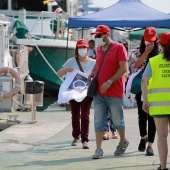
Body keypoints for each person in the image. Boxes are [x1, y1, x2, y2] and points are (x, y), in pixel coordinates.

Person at [89, 25, 129, 159]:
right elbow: (98, 63)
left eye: (99, 35)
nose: (97, 38)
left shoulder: (119, 47)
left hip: (115, 92)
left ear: (107, 34)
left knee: (118, 122)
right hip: (99, 91)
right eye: (96, 36)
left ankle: (123, 141)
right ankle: (98, 149)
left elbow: (124, 67)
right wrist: (92, 72)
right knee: (99, 120)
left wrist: (109, 81)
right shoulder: (99, 48)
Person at [57, 39, 95, 149]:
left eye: (84, 47)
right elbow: (58, 73)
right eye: (80, 47)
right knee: (75, 115)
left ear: (87, 49)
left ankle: (85, 139)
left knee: (85, 115)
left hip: (86, 93)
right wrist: (66, 70)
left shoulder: (93, 62)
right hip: (73, 92)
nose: (82, 49)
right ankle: (76, 136)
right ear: (77, 49)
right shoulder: (71, 61)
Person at [141, 32, 170, 170]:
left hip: (159, 106)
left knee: (162, 137)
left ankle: (163, 167)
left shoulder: (154, 61)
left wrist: (145, 100)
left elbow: (144, 79)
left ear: (160, 44)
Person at [131, 27, 159, 156]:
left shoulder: (160, 52)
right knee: (141, 115)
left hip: (154, 87)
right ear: (143, 39)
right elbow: (135, 65)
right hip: (140, 87)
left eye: (152, 40)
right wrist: (146, 52)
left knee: (152, 117)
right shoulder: (137, 50)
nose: (150, 43)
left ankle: (150, 145)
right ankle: (143, 137)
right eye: (147, 40)